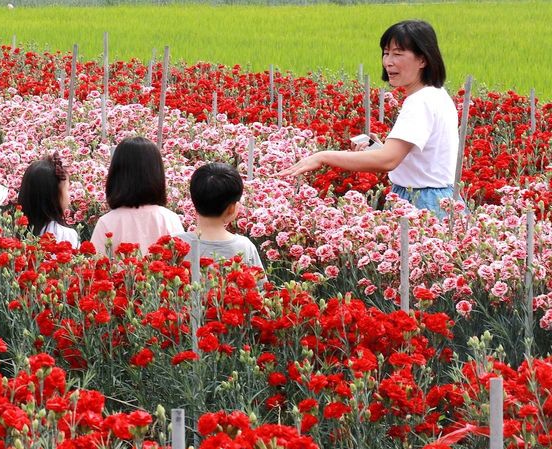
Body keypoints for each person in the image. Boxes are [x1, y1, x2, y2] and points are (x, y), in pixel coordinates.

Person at [278, 20, 458, 217]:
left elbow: (388, 160)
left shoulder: (419, 103)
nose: (388, 61)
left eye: (398, 54)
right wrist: (378, 149)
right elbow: (421, 161)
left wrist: (323, 156)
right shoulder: (437, 95)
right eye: (386, 53)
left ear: (423, 60)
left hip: (421, 202)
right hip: (440, 200)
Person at [90, 137, 184, 256]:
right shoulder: (169, 219)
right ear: (157, 173)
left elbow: (95, 269)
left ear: (116, 174)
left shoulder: (107, 222)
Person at [174, 163, 263, 269]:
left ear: (193, 202)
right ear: (231, 209)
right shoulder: (245, 247)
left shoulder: (173, 244)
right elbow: (259, 283)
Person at [18, 155, 79, 248]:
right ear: (55, 195)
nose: (69, 195)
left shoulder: (16, 235)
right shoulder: (66, 235)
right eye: (67, 189)